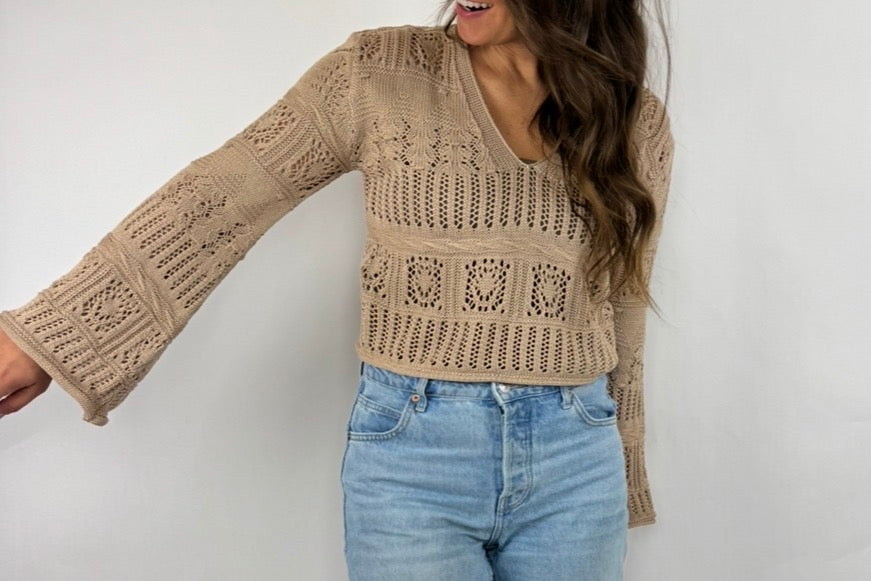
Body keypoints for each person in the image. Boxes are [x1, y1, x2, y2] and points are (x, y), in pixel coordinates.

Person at [0, 1, 674, 579]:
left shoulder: (633, 120)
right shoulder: (378, 73)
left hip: (576, 460)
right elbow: (218, 198)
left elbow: (623, 309)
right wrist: (50, 335)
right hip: (413, 457)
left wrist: (627, 462)